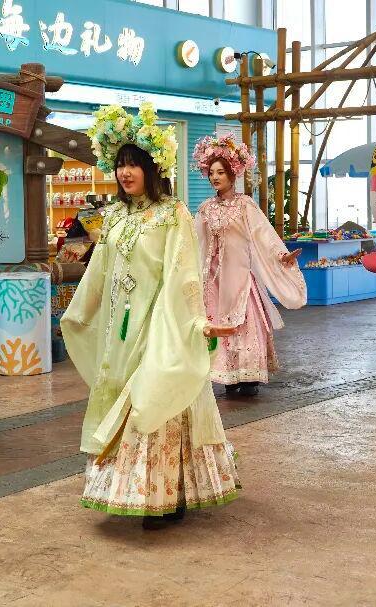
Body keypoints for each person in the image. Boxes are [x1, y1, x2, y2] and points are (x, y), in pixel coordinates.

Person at [61, 104, 240, 529]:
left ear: (152, 168)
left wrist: (196, 322)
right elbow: (99, 271)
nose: (125, 172)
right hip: (118, 335)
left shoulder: (172, 214)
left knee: (155, 402)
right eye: (120, 164)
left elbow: (184, 275)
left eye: (134, 164)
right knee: (124, 402)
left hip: (159, 326)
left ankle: (165, 494)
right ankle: (129, 489)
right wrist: (78, 313)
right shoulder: (114, 216)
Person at [192, 134, 306, 397]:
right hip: (214, 280)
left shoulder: (245, 205)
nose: (215, 177)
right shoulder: (205, 209)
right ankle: (227, 376)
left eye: (221, 172)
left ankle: (248, 375)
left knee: (245, 323)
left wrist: (281, 256)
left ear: (232, 174)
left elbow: (264, 235)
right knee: (218, 323)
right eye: (212, 173)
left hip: (241, 277)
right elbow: (196, 241)